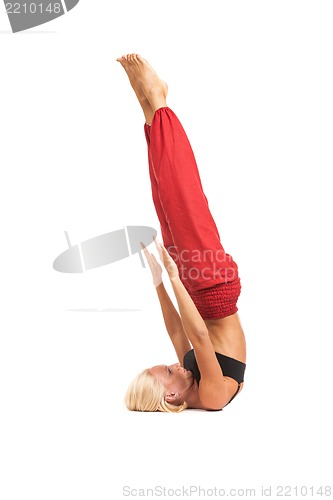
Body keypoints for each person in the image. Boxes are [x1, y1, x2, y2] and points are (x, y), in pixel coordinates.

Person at [117, 54, 246, 412]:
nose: (176, 363)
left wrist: (160, 279)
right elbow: (199, 335)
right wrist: (175, 278)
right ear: (170, 396)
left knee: (163, 193)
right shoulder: (212, 395)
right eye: (169, 372)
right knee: (183, 191)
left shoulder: (186, 375)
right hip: (213, 286)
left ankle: (148, 109)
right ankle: (158, 101)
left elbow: (178, 331)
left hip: (192, 285)